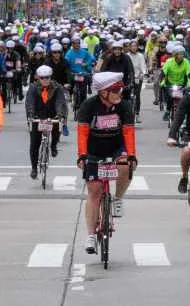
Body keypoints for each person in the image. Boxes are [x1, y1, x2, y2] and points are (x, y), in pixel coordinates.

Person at [75, 72, 136, 252]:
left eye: (120, 89)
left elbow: (128, 132)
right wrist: (82, 155)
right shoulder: (88, 106)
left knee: (126, 165)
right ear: (103, 92)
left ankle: (117, 198)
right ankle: (91, 235)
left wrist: (131, 155)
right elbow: (82, 133)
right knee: (94, 191)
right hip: (94, 149)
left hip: (117, 146)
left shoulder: (124, 106)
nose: (120, 93)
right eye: (116, 90)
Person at [26, 64, 67, 174]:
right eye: (42, 78)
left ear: (51, 77)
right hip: (37, 116)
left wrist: (60, 115)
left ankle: (53, 146)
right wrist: (31, 115)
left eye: (47, 77)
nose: (45, 80)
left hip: (52, 115)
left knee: (57, 128)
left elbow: (60, 102)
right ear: (38, 78)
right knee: (34, 142)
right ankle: (34, 168)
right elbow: (30, 102)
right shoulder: (33, 88)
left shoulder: (57, 87)